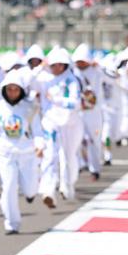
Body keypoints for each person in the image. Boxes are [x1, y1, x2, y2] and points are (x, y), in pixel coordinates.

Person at [0, 70, 43, 234]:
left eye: (16, 89)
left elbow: (38, 130)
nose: (13, 93)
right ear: (4, 90)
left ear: (21, 90)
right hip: (5, 153)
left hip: (26, 153)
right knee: (8, 187)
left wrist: (39, 144)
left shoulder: (30, 107)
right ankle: (12, 222)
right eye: (9, 89)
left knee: (30, 189)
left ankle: (30, 193)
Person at [35, 48, 83, 207]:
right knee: (50, 155)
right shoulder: (43, 78)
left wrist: (56, 99)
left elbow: (75, 103)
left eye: (59, 65)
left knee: (68, 156)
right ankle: (48, 191)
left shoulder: (71, 80)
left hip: (70, 123)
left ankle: (67, 185)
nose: (56, 68)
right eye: (53, 64)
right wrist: (40, 66)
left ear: (65, 65)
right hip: (50, 122)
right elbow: (26, 79)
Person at [71, 44, 104, 180]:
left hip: (93, 113)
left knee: (93, 140)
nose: (80, 63)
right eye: (78, 61)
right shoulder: (72, 71)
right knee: (75, 140)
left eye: (83, 60)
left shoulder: (97, 71)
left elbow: (115, 77)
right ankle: (78, 165)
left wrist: (100, 66)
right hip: (77, 111)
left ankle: (95, 169)